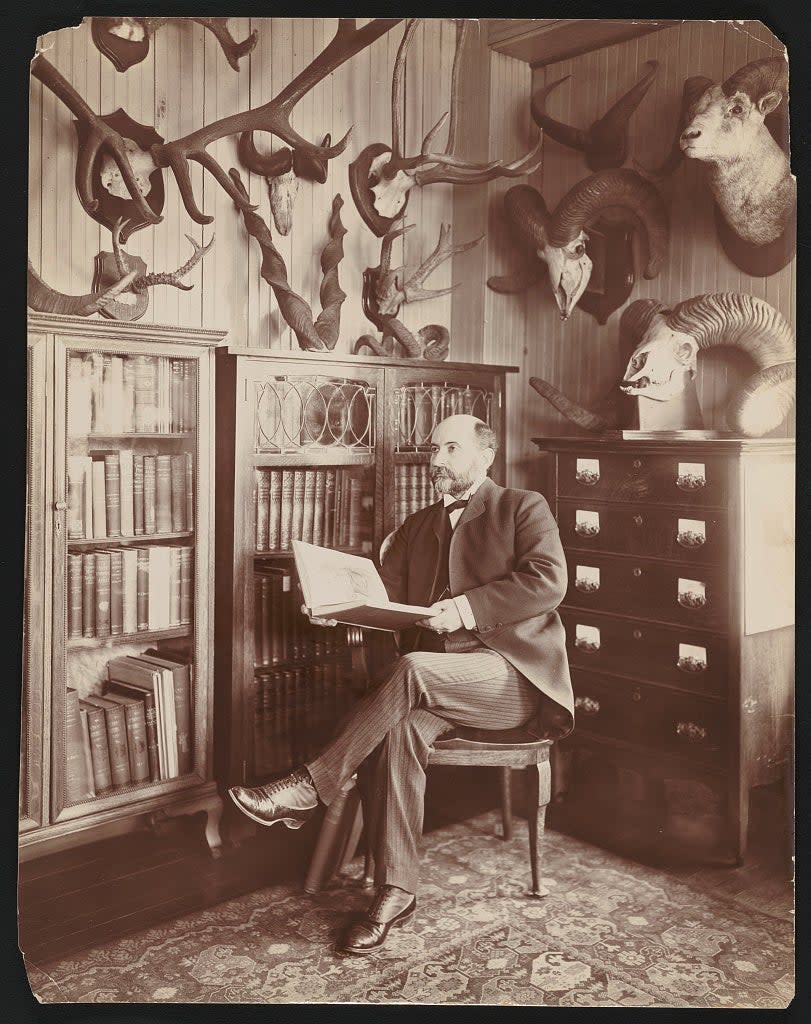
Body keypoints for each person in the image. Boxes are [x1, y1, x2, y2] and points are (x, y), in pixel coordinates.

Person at [229, 414, 573, 955]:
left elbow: (548, 582)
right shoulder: (419, 526)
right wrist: (334, 609)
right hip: (437, 683)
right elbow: (385, 600)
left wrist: (463, 610)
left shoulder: (522, 507)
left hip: (510, 677)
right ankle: (396, 891)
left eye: (450, 449)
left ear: (486, 454)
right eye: (433, 450)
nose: (436, 461)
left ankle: (309, 786)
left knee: (412, 667)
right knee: (397, 732)